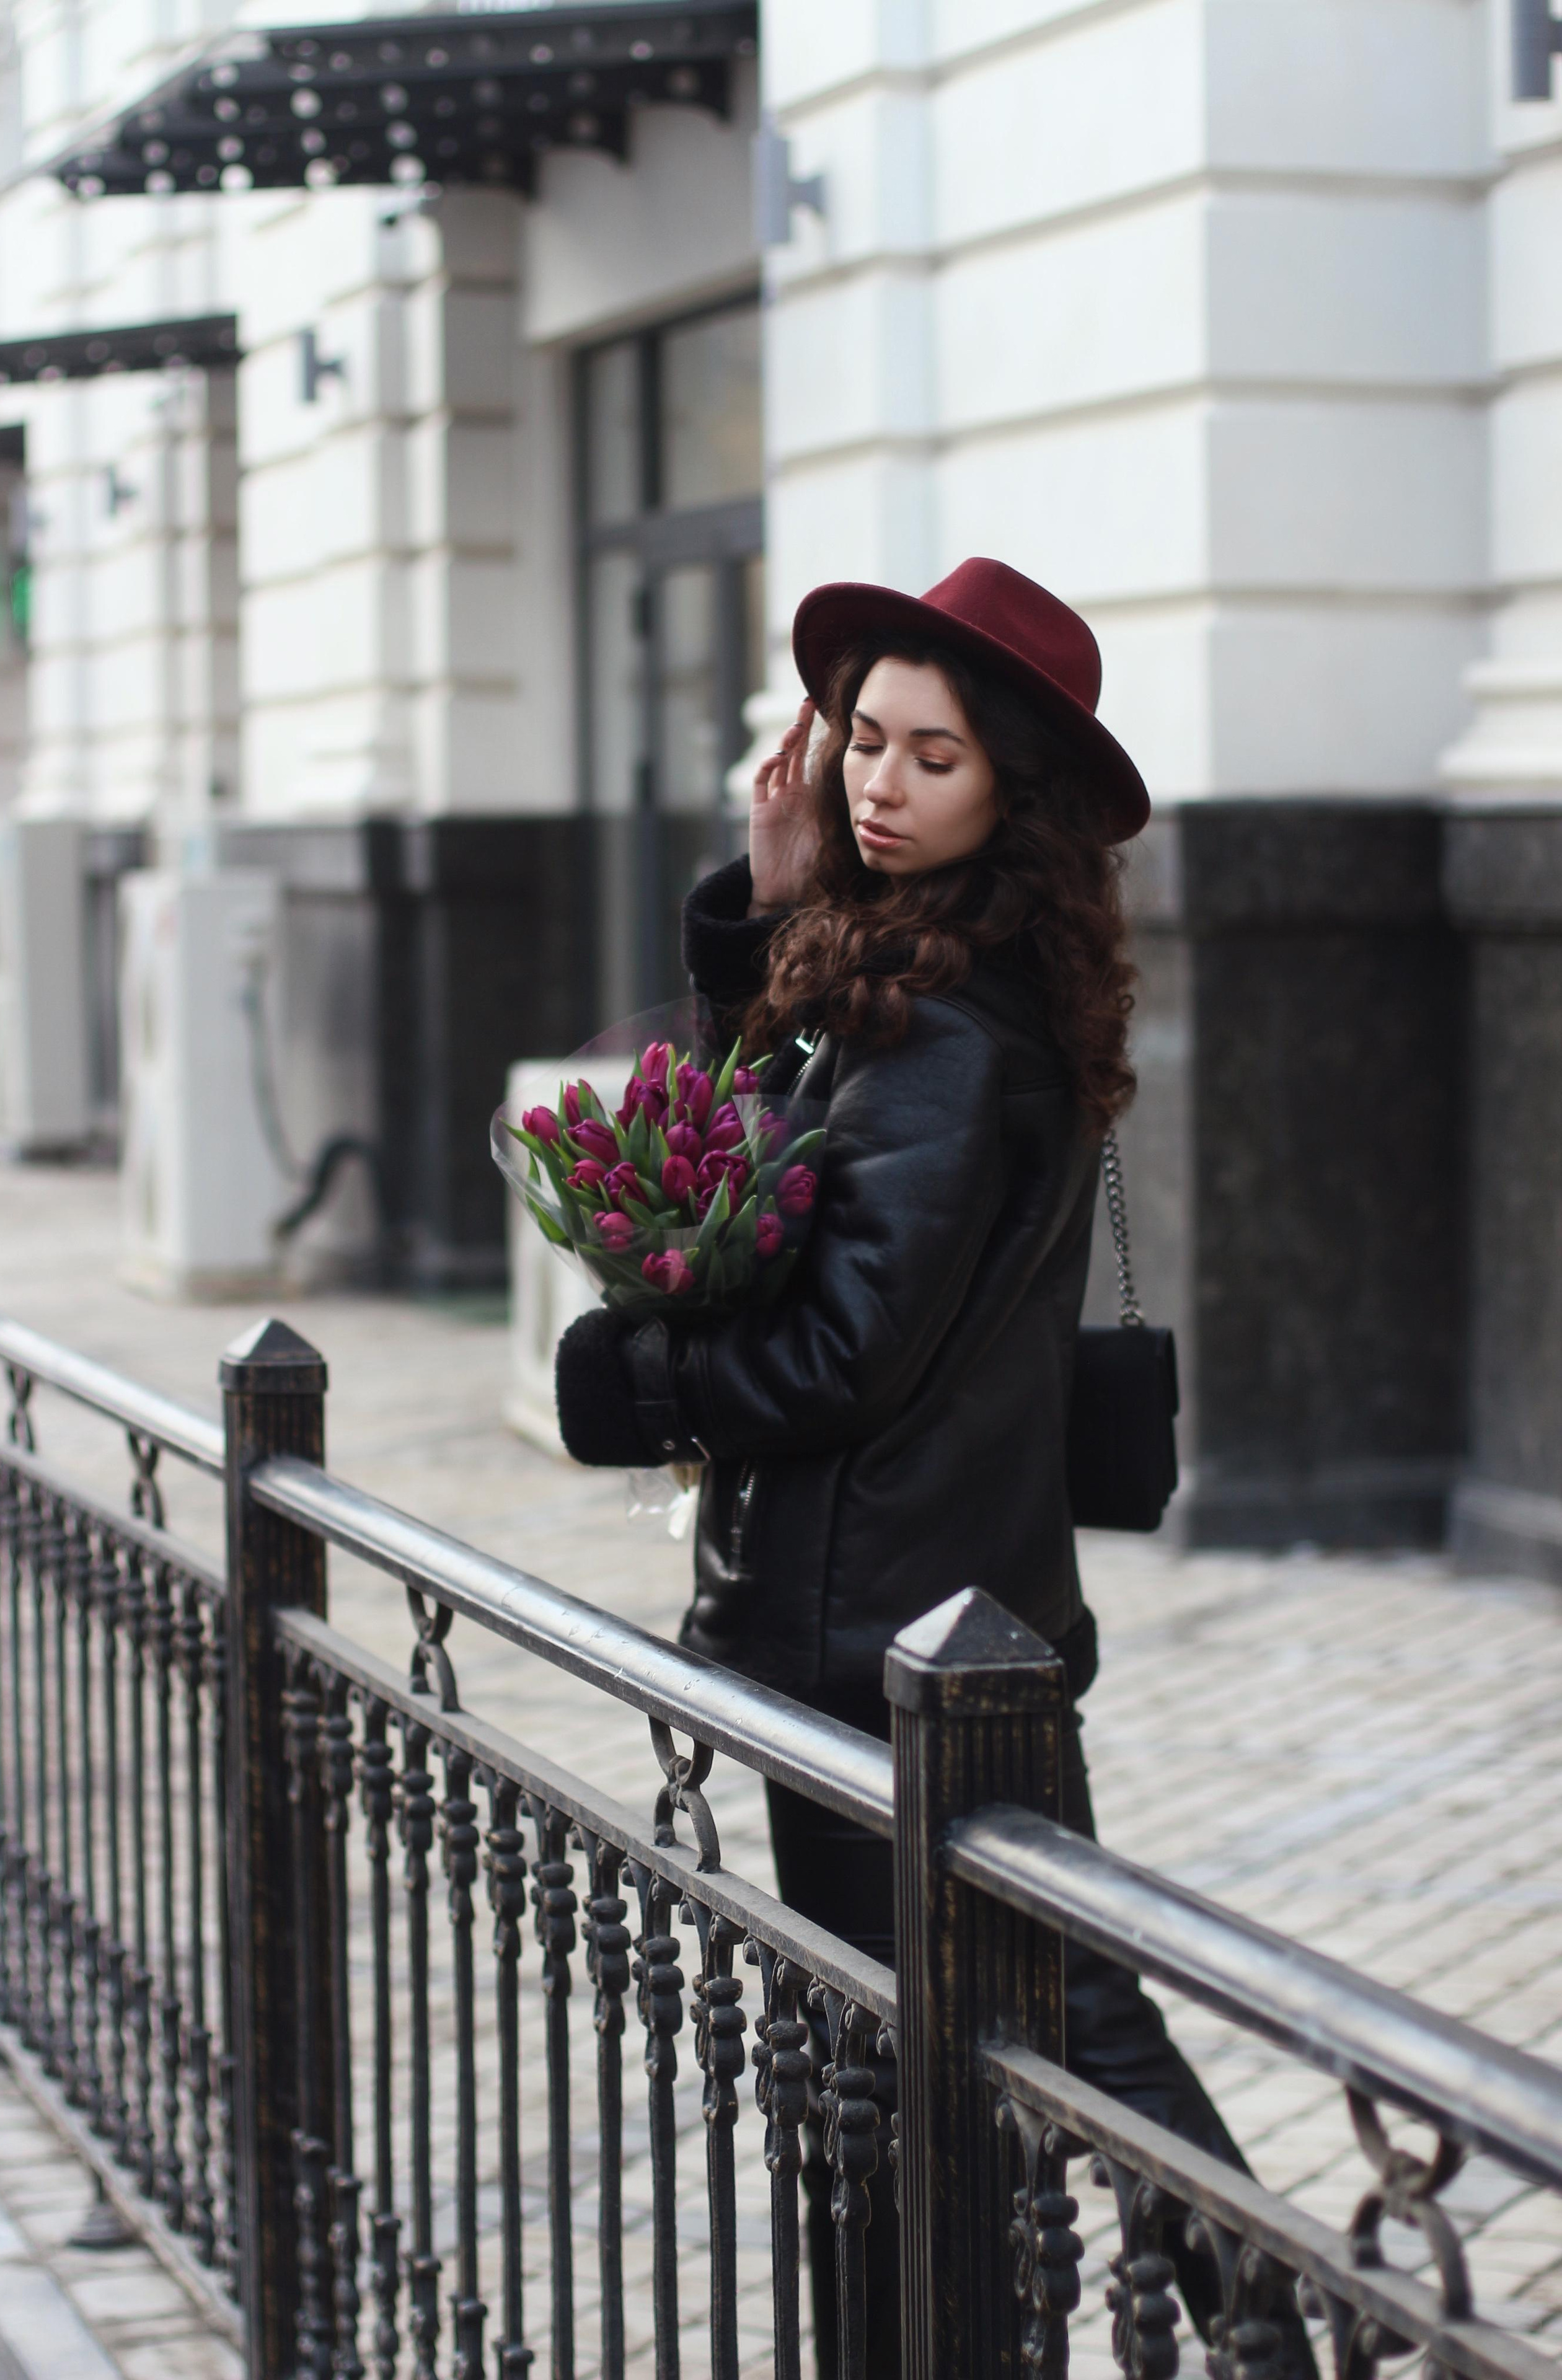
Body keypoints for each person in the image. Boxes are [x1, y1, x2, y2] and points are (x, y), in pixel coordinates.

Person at [554, 557, 1311, 2378]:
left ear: (1011, 793)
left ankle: (1279, 2326)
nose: (878, 783)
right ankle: (1175, 2327)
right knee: (943, 2032)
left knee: (1020, 2020)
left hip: (879, 1642)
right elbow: (798, 1151)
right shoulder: (937, 977)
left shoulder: (944, 1032)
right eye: (862, 742)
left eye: (932, 757)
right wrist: (766, 911)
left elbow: (836, 1345)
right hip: (936, 1615)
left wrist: (635, 1375)